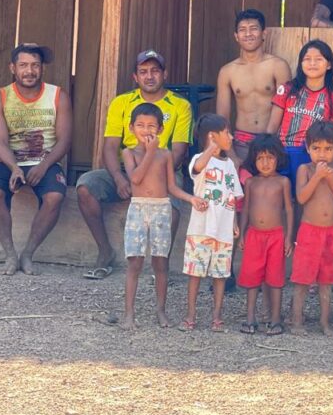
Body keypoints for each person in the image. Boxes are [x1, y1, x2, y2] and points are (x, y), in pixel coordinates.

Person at [76, 49, 192, 279]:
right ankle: (105, 252)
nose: (149, 76)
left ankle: (161, 267)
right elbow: (110, 147)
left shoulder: (180, 105)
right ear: (135, 77)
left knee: (173, 209)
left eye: (155, 71)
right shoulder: (121, 102)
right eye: (143, 72)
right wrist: (120, 178)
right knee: (85, 186)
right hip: (125, 168)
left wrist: (148, 181)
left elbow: (178, 152)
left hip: (163, 168)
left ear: (165, 74)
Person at [0, 44, 72, 276]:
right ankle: (10, 254)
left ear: (42, 68)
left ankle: (28, 254)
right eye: (23, 65)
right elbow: (1, 143)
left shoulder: (58, 96)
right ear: (13, 68)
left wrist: (43, 167)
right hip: (9, 160)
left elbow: (63, 141)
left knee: (54, 196)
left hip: (46, 159)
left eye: (34, 65)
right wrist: (14, 168)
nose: (29, 71)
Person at [121, 104, 205, 330]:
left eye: (151, 126)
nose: (145, 130)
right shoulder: (129, 153)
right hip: (138, 208)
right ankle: (129, 313)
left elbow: (171, 187)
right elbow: (136, 179)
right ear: (131, 128)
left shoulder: (166, 154)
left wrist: (190, 199)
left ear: (160, 129)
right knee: (135, 262)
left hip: (161, 209)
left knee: (160, 262)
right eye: (140, 125)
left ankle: (160, 310)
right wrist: (149, 152)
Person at [179, 114, 242, 333]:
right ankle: (190, 315)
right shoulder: (200, 158)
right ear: (212, 136)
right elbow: (197, 168)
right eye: (227, 133)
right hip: (200, 230)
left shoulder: (230, 165)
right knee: (195, 273)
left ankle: (217, 316)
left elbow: (233, 196)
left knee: (220, 275)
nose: (232, 137)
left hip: (223, 231)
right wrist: (211, 148)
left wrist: (234, 222)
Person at [291, 122, 333, 336]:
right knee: (302, 279)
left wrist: (331, 180)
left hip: (331, 233)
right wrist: (317, 177)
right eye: (316, 148)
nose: (322, 154)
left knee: (327, 281)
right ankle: (297, 322)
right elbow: (301, 197)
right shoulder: (304, 170)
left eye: (328, 149)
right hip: (309, 231)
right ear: (308, 148)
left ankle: (325, 323)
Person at [215, 9, 292, 163]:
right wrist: (232, 155)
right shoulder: (227, 71)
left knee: (270, 186)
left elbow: (286, 106)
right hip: (241, 142)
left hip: (273, 140)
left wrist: (268, 140)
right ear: (236, 36)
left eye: (254, 29)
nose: (248, 34)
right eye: (242, 30)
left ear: (264, 33)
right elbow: (222, 117)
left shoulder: (278, 66)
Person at [237, 135, 293, 335]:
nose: (265, 162)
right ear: (254, 160)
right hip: (254, 235)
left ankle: (276, 319)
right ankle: (250, 318)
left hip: (276, 236)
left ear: (278, 158)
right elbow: (245, 209)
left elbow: (289, 210)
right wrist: (242, 233)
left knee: (275, 279)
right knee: (252, 278)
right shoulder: (251, 182)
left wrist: (288, 237)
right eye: (260, 158)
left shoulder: (283, 182)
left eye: (270, 157)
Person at [268, 40, 333, 181]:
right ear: (300, 64)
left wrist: (330, 170)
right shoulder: (287, 90)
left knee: (307, 199)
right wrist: (269, 155)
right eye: (307, 59)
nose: (312, 63)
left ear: (329, 65)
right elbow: (271, 128)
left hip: (312, 157)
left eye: (318, 59)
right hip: (283, 153)